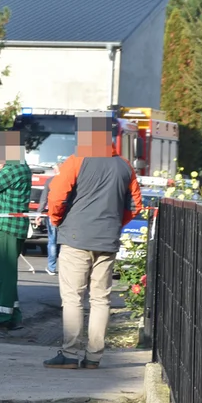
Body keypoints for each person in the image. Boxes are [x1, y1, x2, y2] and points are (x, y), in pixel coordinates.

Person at [44, 116, 143, 370]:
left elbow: (56, 196)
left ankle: (69, 353)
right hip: (107, 240)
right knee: (101, 299)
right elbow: (134, 206)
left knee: (73, 298)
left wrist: (57, 220)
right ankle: (94, 357)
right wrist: (113, 226)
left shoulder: (76, 161)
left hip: (76, 238)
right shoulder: (124, 166)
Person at [0, 131, 33, 331]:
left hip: (5, 227)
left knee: (4, 274)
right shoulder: (22, 166)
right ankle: (14, 315)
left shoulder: (11, 169)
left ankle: (1, 317)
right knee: (8, 274)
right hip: (13, 226)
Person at [37, 163, 61, 276]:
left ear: (56, 170)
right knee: (64, 242)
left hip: (52, 213)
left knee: (52, 241)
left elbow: (43, 199)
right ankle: (66, 268)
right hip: (67, 214)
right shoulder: (71, 180)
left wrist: (38, 214)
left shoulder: (50, 181)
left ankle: (52, 268)